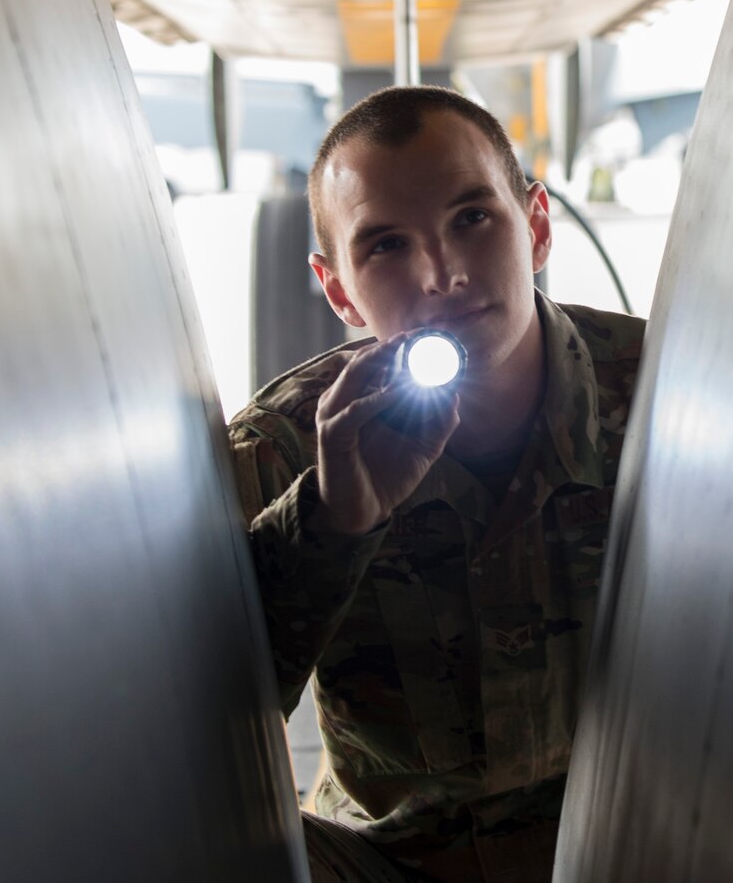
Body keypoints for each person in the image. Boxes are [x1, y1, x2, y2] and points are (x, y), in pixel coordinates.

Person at [227, 86, 647, 883]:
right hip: (387, 861)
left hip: (623, 841)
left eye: (472, 218)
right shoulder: (288, 444)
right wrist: (330, 523)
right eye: (385, 245)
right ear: (339, 288)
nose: (442, 274)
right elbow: (194, 729)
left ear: (537, 225)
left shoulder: (664, 393)